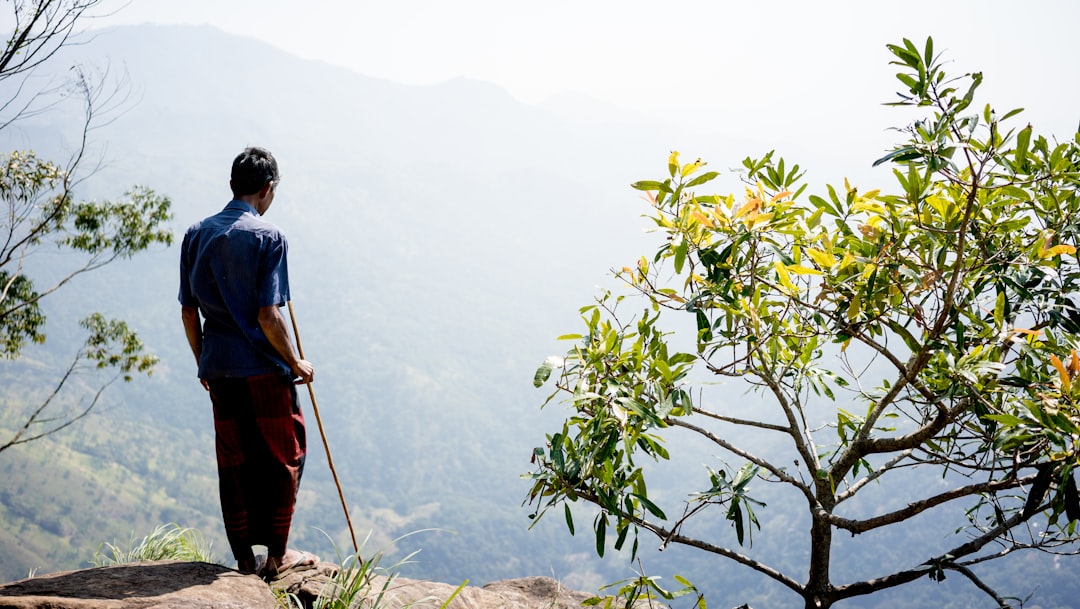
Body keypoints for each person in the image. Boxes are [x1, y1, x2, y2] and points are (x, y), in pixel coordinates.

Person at [179, 146, 318, 579]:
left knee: (234, 460)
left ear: (232, 186)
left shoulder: (195, 233)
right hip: (262, 370)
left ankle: (243, 558)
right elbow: (268, 315)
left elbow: (188, 310)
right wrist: (296, 362)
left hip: (219, 369)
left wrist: (204, 361)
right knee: (285, 456)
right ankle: (276, 557)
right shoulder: (269, 238)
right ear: (268, 189)